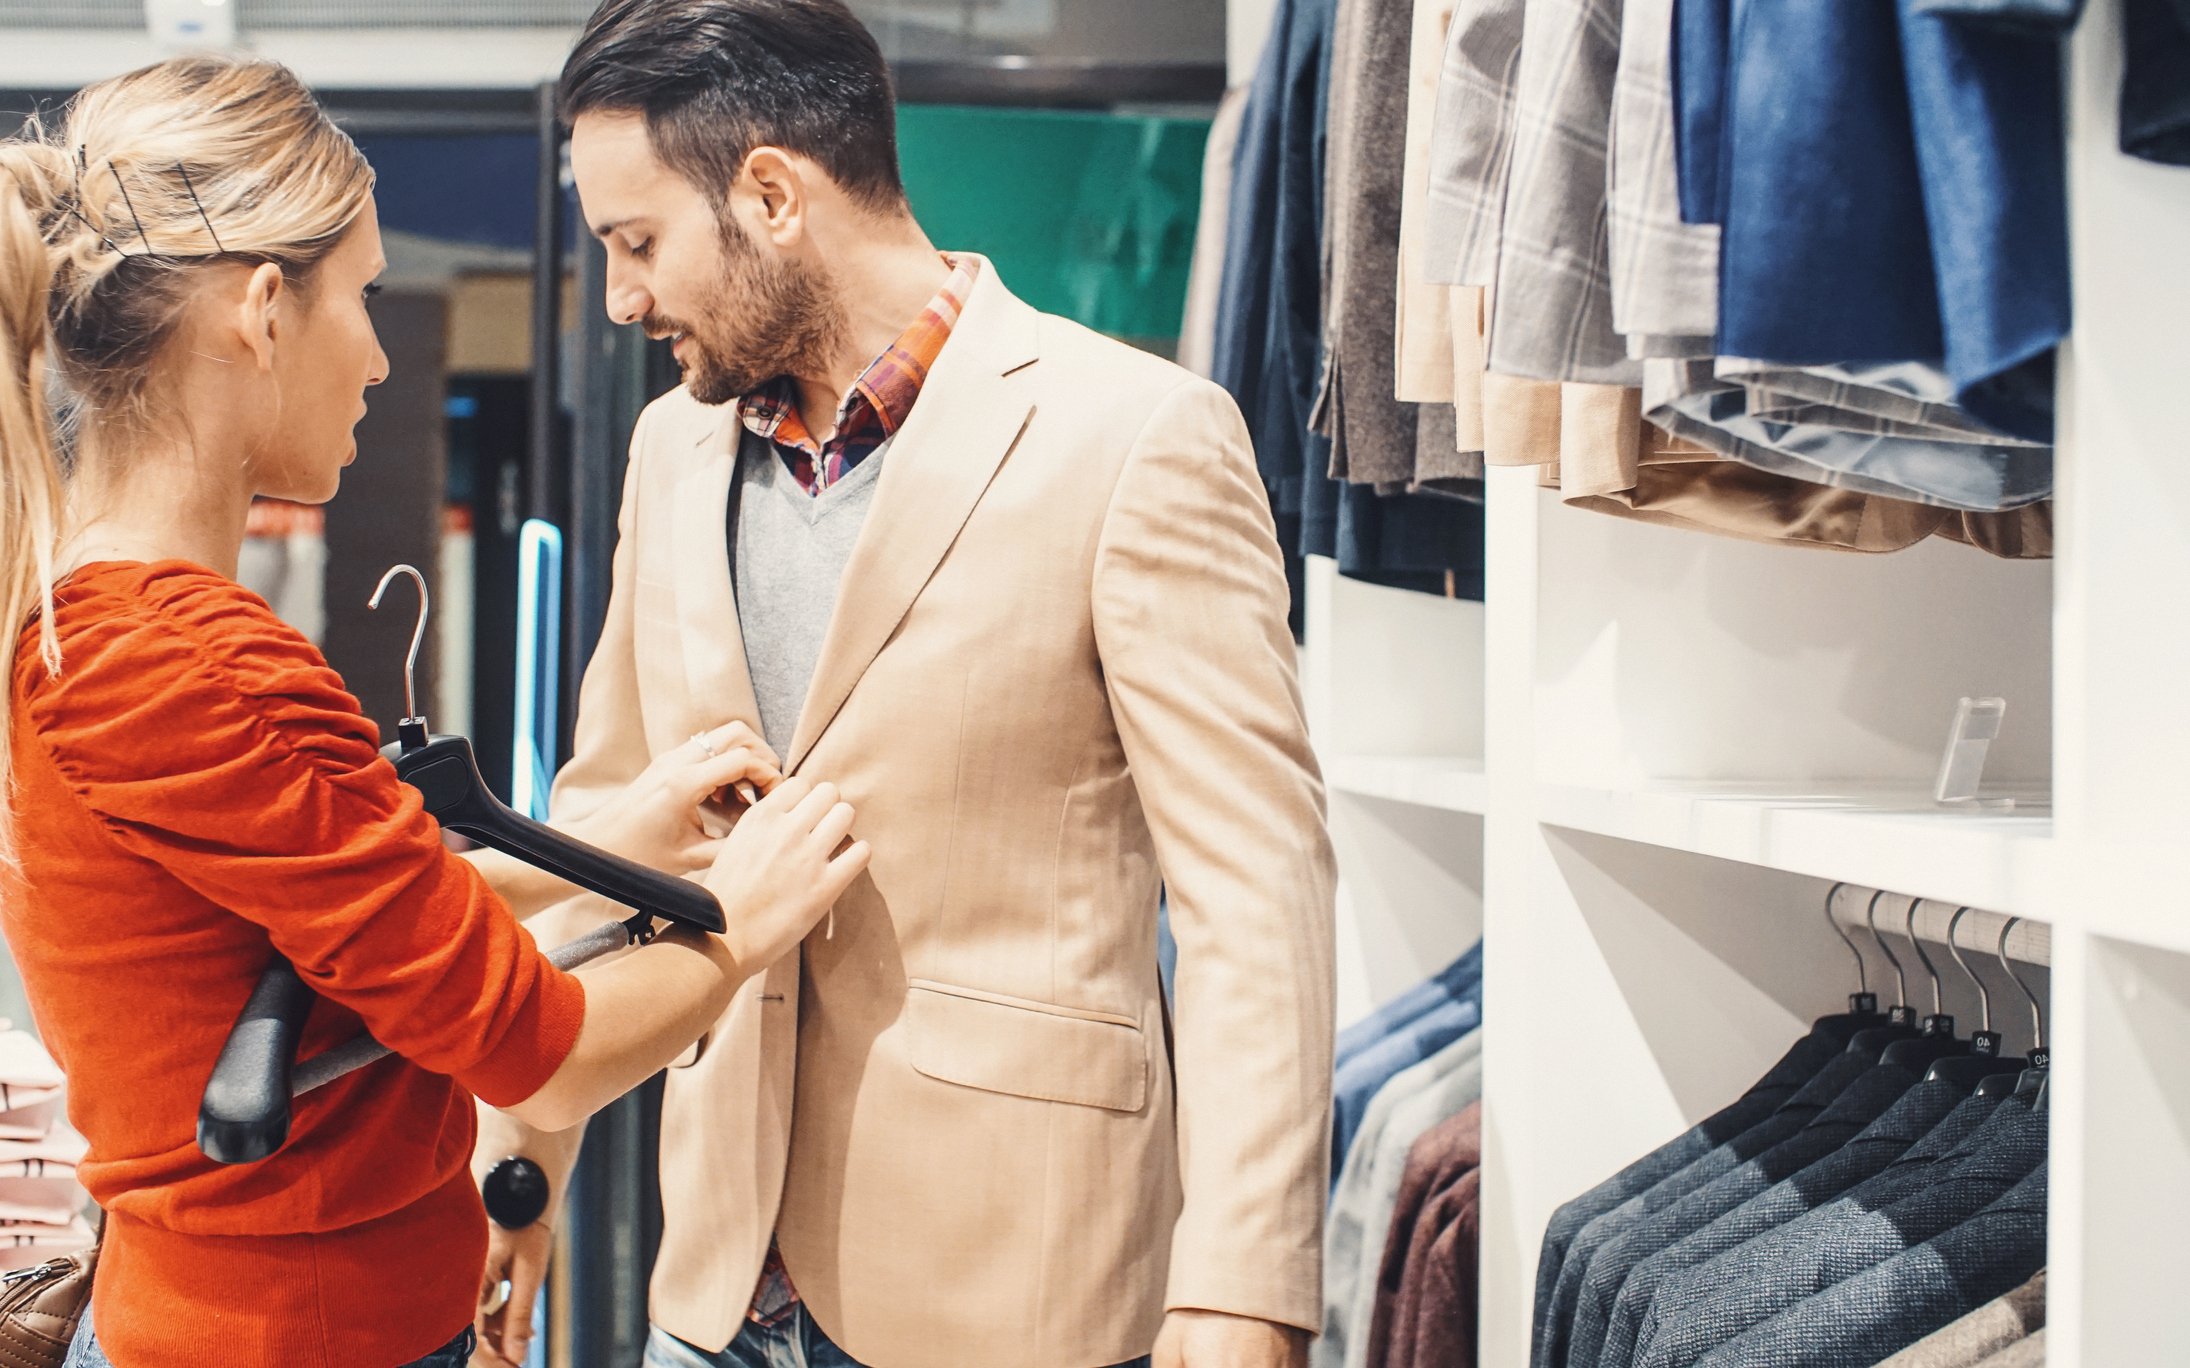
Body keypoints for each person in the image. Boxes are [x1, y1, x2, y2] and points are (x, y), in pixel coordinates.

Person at [470, 3, 1339, 1366]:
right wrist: (519, 1170)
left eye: (637, 244)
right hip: (710, 1287)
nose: (625, 298)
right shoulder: (672, 454)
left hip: (1010, 1289)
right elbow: (601, 830)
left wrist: (1241, 1289)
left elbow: (1252, 895)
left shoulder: (1135, 436)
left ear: (769, 194)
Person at [0, 54, 870, 1368]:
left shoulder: (90, 624)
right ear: (263, 313)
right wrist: (738, 923)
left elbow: (327, 949)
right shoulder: (186, 659)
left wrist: (614, 841)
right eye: (363, 297)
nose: (380, 352)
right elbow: (541, 1052)